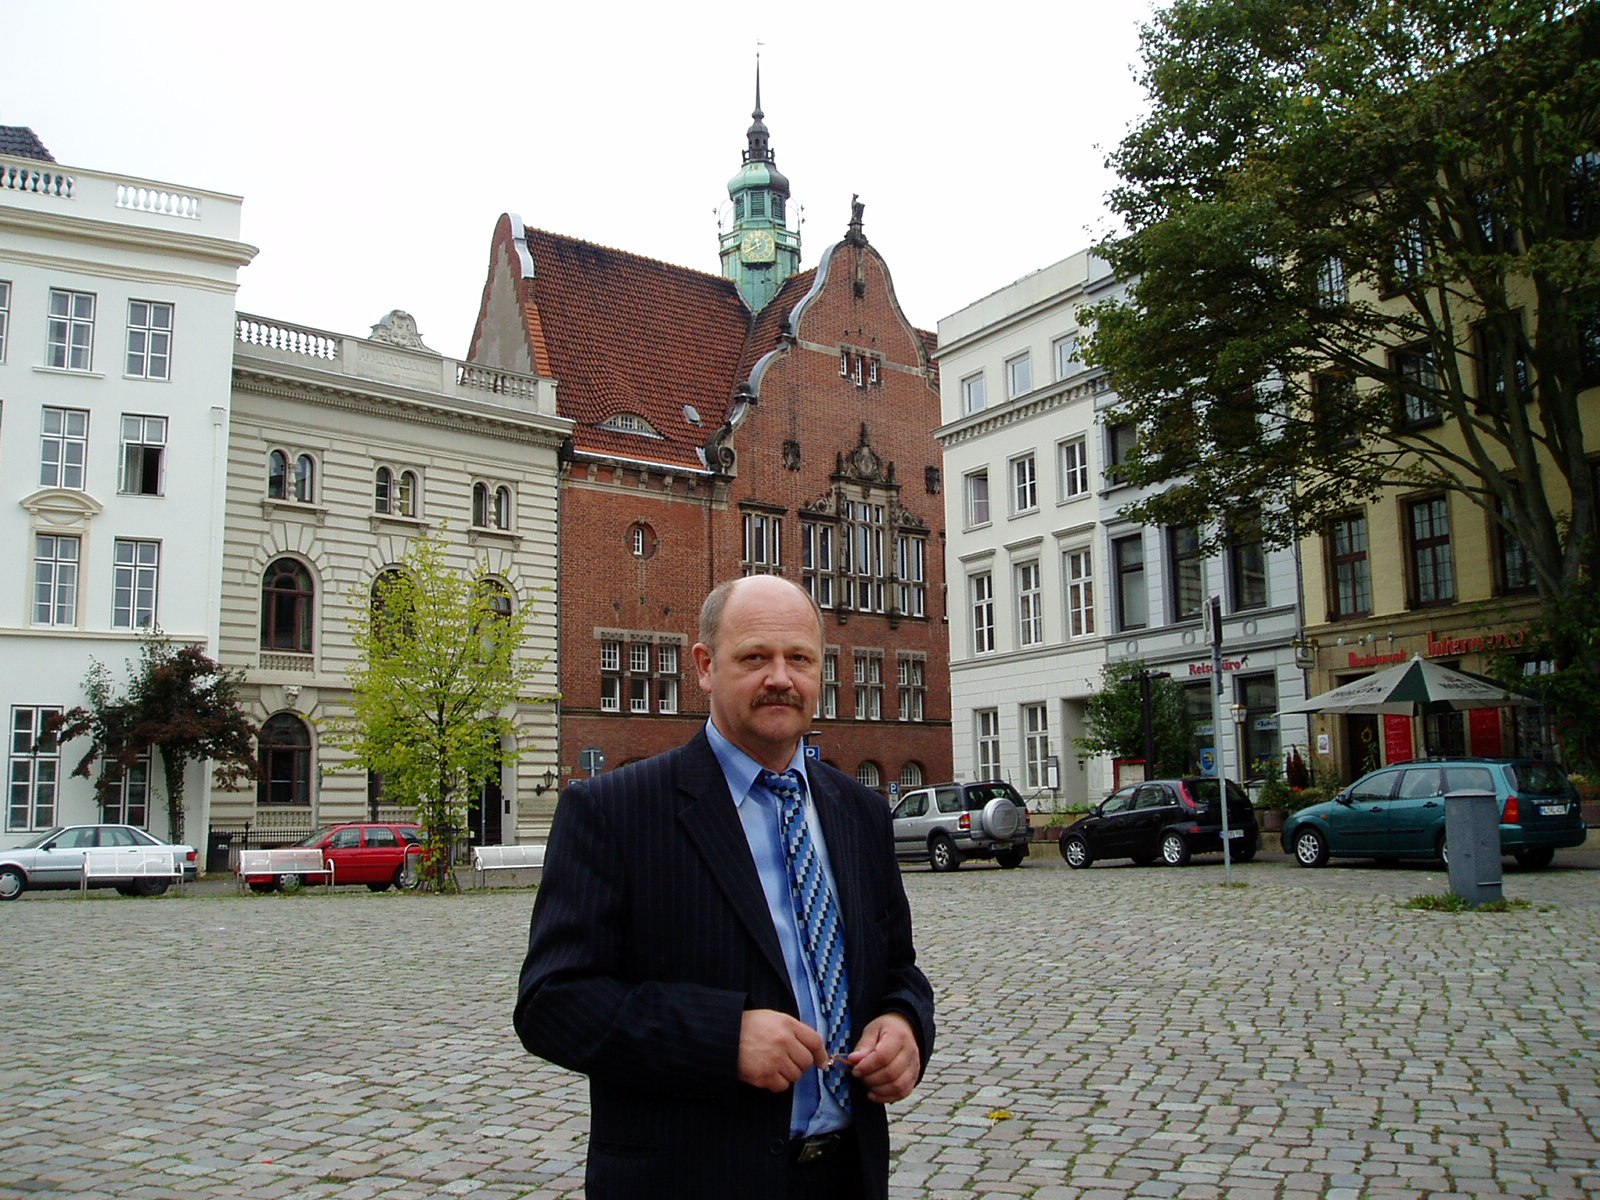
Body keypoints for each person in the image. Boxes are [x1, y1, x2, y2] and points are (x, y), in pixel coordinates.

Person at [515, 574, 935, 1200]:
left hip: (848, 1175)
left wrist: (904, 1024)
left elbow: (897, 967)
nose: (780, 678)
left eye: (800, 659)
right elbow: (552, 1003)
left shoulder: (861, 812)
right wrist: (721, 1039)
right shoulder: (615, 812)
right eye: (755, 657)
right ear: (706, 667)